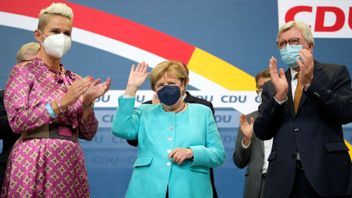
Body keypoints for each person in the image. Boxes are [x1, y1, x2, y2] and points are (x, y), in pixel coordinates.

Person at [1, 3, 111, 197]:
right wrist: (63, 102)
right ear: (38, 35)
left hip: (70, 161)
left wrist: (87, 104)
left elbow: (88, 132)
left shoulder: (74, 79)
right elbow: (18, 122)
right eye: (55, 31)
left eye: (67, 33)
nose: (61, 38)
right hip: (33, 159)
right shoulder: (23, 72)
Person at [253, 20, 352, 198]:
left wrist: (310, 84)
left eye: (294, 41)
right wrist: (279, 98)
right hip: (284, 179)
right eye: (282, 44)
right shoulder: (272, 86)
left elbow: (346, 112)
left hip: (327, 173)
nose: (287, 47)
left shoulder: (335, 73)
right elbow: (261, 131)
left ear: (310, 45)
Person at [112, 60, 225, 197]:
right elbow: (120, 130)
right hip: (147, 189)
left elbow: (218, 155)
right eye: (160, 85)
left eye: (172, 83)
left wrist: (191, 152)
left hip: (190, 190)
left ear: (182, 84)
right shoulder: (144, 111)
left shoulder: (203, 112)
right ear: (155, 90)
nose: (167, 88)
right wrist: (131, 88)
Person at [0, 42, 40, 189]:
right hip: (11, 166)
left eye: (33, 64)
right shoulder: (4, 96)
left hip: (51, 165)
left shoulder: (59, 96)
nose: (27, 69)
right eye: (24, 63)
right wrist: (22, 116)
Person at [233, 68, 271, 198]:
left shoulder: (291, 119)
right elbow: (239, 162)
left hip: (285, 184)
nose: (264, 92)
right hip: (256, 188)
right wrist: (246, 140)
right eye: (261, 88)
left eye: (269, 87)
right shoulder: (249, 120)